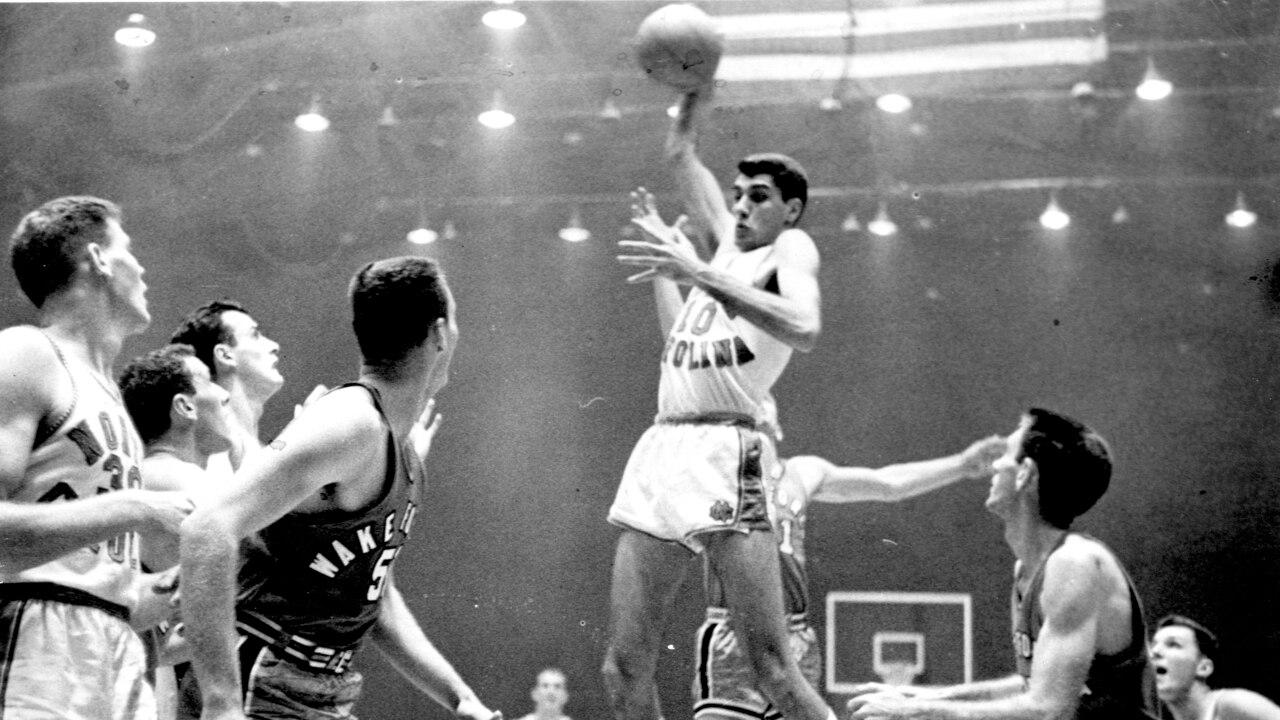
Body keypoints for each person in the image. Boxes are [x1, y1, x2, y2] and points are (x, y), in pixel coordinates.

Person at [179, 256, 499, 720]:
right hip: (264, 671)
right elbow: (205, 529)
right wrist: (221, 702)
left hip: (321, 684)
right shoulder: (351, 421)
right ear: (439, 334)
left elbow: (376, 598)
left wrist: (460, 696)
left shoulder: (397, 444)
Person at [605, 83, 830, 720]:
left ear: (790, 210)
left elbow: (805, 327)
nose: (741, 205)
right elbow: (681, 154)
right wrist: (694, 87)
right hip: (664, 444)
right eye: (737, 194)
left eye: (759, 196)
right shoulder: (725, 249)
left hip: (726, 447)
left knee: (772, 668)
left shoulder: (789, 250)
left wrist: (696, 270)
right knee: (623, 668)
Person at [0, 195, 194, 719]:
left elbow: (90, 579)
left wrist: (172, 584)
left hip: (113, 639)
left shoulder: (108, 395)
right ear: (99, 258)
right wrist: (135, 507)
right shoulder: (27, 353)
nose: (142, 269)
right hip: (34, 634)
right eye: (129, 250)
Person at [848, 408, 1157, 720]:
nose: (995, 464)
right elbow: (1032, 685)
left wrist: (915, 710)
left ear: (1025, 473)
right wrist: (921, 695)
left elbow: (1047, 710)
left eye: (1006, 454)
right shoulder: (1028, 568)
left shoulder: (1074, 563)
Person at [693, 436, 1005, 720]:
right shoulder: (718, 475)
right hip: (736, 631)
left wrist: (961, 464)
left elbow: (888, 483)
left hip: (795, 637)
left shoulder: (802, 472)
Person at [119, 343, 238, 720]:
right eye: (210, 383)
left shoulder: (156, 476)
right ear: (185, 406)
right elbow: (271, 563)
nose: (224, 395)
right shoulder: (172, 478)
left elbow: (167, 643)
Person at [168, 299, 286, 474]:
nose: (275, 346)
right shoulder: (215, 443)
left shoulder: (258, 448)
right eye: (255, 334)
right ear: (225, 355)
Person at [1149, 614, 1280, 720]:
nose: (1154, 652)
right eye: (1153, 645)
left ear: (1204, 668)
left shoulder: (1232, 703)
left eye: (1173, 644)